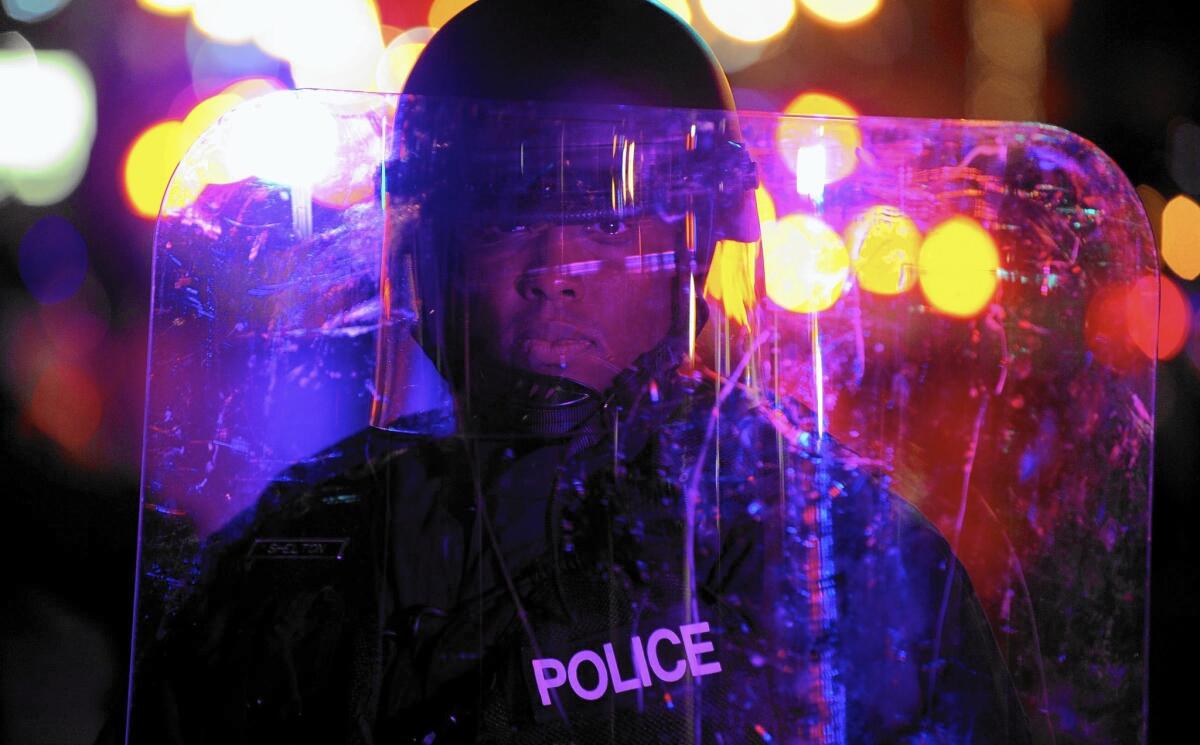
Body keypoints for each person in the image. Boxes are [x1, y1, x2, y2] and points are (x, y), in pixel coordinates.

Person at [124, 2, 1031, 743]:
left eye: (604, 223)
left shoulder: (827, 547)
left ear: (693, 248)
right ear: (431, 257)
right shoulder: (310, 553)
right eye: (505, 219)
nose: (551, 270)